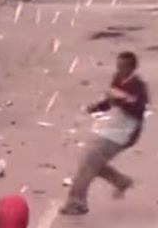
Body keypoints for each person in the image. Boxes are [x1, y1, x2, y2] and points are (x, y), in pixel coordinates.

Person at [61, 51, 148, 215]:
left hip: (124, 132)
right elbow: (110, 101)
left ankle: (76, 202)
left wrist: (121, 99)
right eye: (118, 66)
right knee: (92, 161)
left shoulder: (138, 86)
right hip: (111, 126)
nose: (120, 70)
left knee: (89, 161)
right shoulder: (117, 78)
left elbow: (137, 109)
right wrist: (97, 107)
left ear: (132, 68)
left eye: (123, 67)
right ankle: (120, 181)